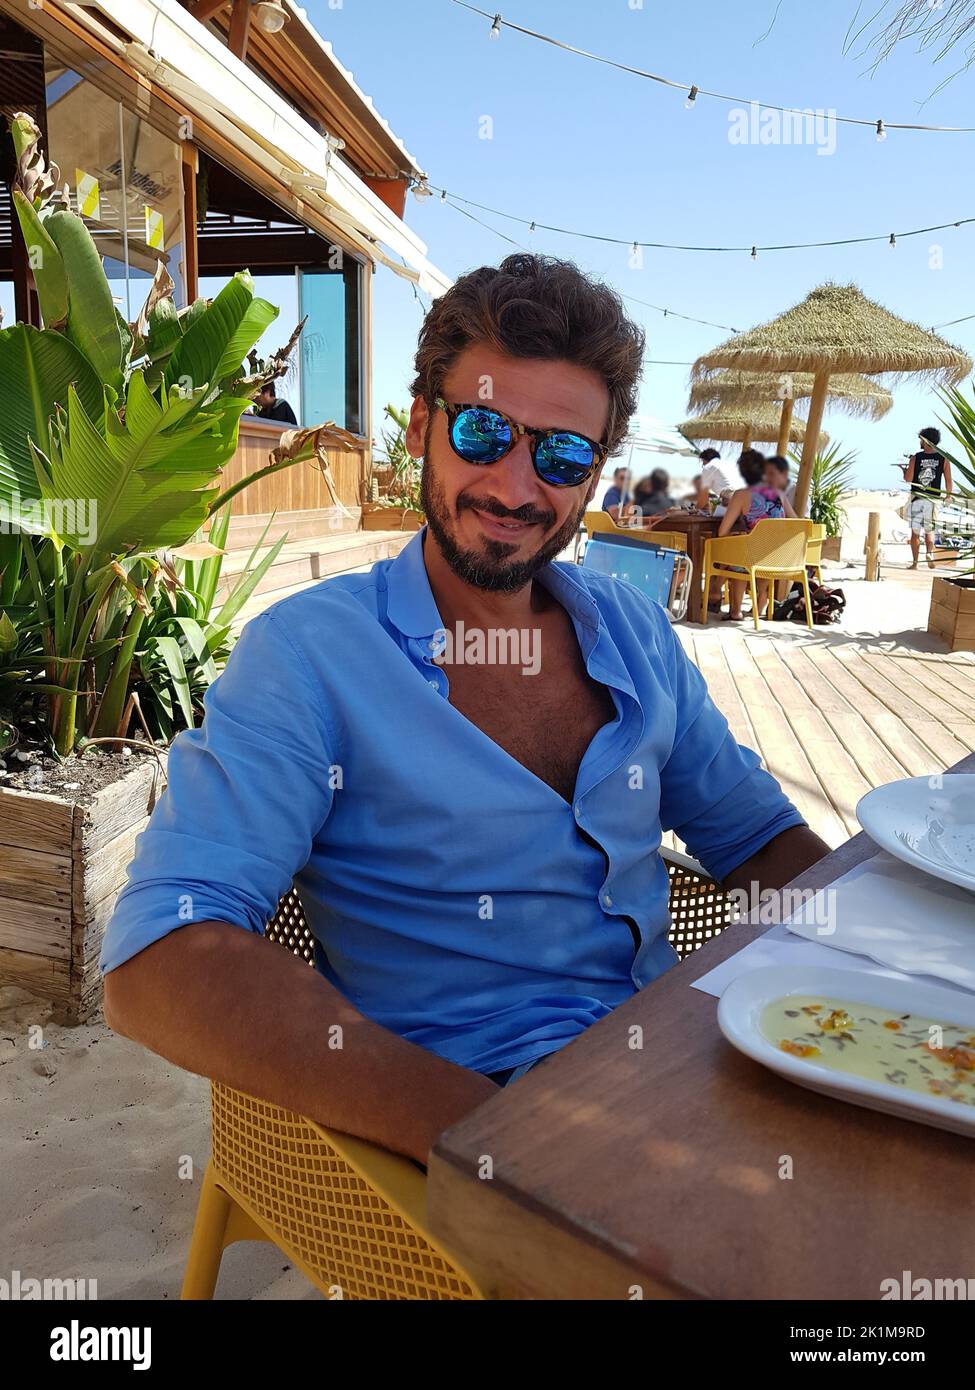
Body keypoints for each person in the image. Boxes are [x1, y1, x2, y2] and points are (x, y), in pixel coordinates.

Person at [101, 253, 828, 1166]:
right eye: (483, 433)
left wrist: (876, 954)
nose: (518, 489)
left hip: (671, 1064)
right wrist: (497, 1146)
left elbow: (755, 839)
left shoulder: (635, 634)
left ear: (595, 473)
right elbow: (162, 959)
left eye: (562, 453)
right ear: (419, 426)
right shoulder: (310, 657)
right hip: (465, 1115)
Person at [715, 449, 796, 621]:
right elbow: (796, 521)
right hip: (777, 556)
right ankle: (760, 602)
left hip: (753, 557)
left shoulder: (742, 495)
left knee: (736, 554)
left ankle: (734, 611)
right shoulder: (779, 494)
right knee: (756, 546)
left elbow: (722, 531)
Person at [904, 427, 953, 570]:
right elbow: (948, 480)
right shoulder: (944, 458)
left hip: (917, 496)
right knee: (929, 529)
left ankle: (915, 563)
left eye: (920, 439)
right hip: (933, 498)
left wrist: (904, 471)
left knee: (915, 531)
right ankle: (930, 553)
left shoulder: (916, 458)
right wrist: (948, 495)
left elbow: (908, 479)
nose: (919, 442)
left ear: (925, 440)